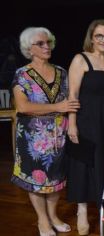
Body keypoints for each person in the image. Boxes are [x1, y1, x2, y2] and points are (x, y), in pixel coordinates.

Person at [11, 27, 80, 236]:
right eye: (40, 44)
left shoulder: (62, 72)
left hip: (59, 138)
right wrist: (58, 107)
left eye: (48, 42)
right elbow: (22, 107)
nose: (46, 46)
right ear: (29, 49)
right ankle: (42, 220)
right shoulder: (22, 74)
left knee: (56, 182)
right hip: (33, 140)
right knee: (37, 181)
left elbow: (72, 101)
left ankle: (53, 215)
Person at [66, 19, 104, 235]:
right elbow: (72, 95)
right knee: (84, 163)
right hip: (86, 118)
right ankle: (81, 210)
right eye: (99, 36)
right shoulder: (80, 60)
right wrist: (72, 123)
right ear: (91, 37)